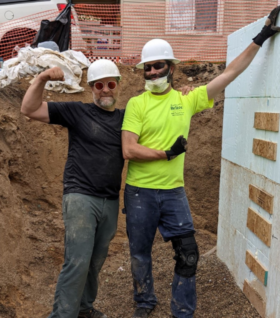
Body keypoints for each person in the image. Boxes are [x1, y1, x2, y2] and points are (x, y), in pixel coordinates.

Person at [121, 6, 280, 318]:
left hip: (173, 192)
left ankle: (182, 311)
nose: (152, 72)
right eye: (148, 68)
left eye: (158, 66)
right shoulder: (136, 104)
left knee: (188, 254)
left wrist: (260, 37)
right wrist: (166, 154)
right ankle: (144, 302)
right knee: (140, 253)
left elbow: (230, 73)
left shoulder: (186, 100)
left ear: (170, 67)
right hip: (139, 192)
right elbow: (129, 149)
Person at [21, 59, 124, 318]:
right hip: (81, 197)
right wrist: (42, 78)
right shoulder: (78, 112)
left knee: (95, 261)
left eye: (110, 84)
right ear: (91, 88)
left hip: (110, 200)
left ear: (118, 86)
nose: (105, 90)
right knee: (78, 261)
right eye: (98, 85)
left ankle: (83, 309)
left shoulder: (126, 119)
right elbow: (29, 108)